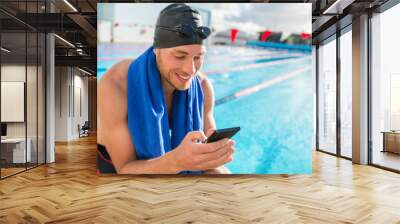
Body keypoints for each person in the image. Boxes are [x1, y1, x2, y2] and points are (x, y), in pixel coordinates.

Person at [97, 3, 234, 174]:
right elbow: (125, 168)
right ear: (156, 49)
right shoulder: (117, 84)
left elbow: (205, 158)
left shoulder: (203, 86)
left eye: (198, 57)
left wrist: (214, 155)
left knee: (222, 174)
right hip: (112, 164)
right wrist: (176, 162)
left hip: (174, 160)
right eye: (179, 56)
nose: (190, 70)